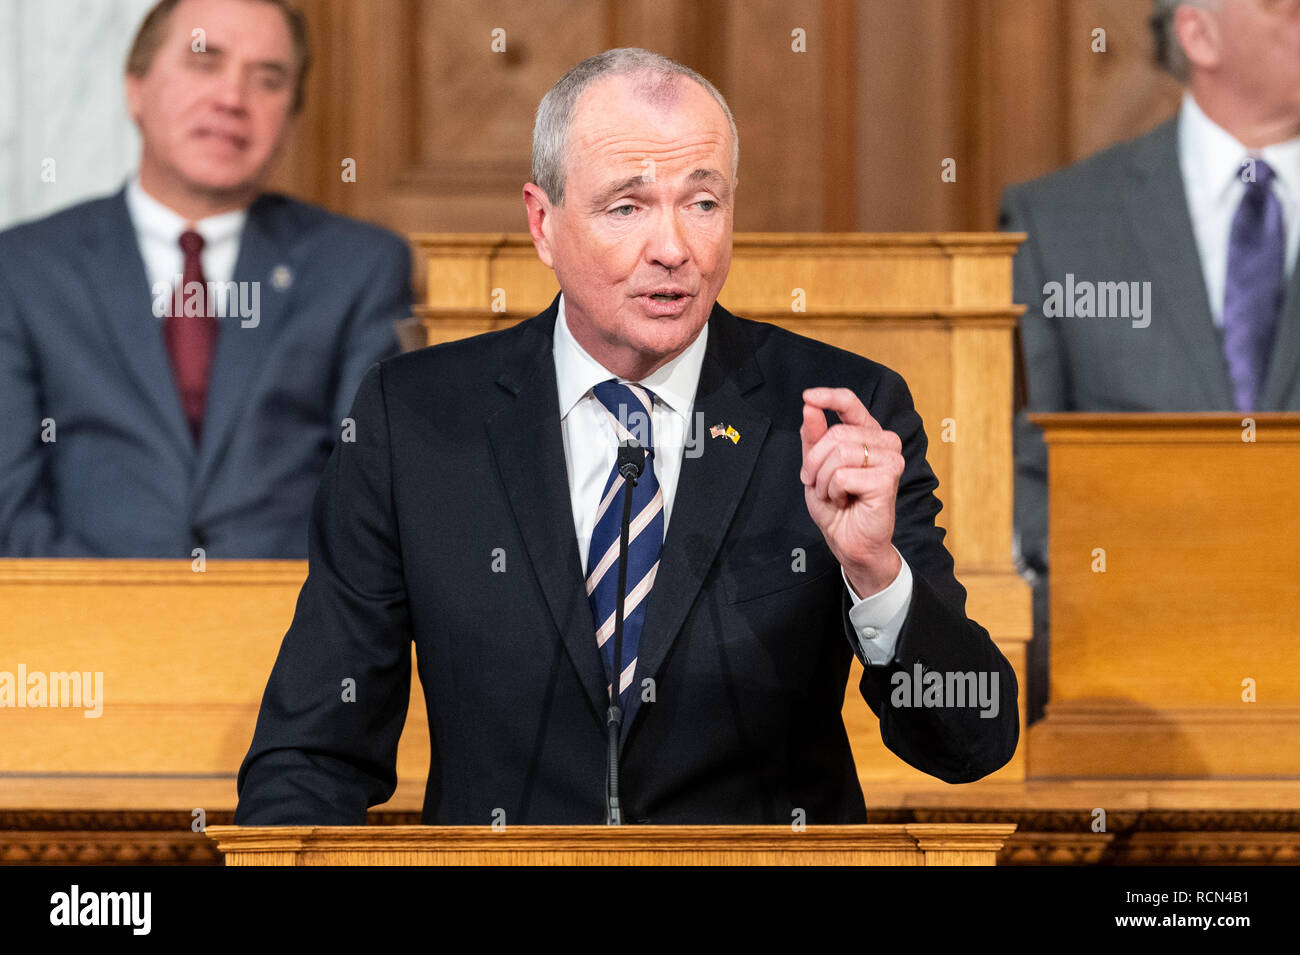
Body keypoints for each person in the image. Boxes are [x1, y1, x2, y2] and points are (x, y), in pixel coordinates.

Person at [235, 48, 1018, 825]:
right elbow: (314, 751)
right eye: (628, 207)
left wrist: (876, 572)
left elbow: (972, 739)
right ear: (544, 223)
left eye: (703, 203)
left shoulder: (835, 414)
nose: (674, 248)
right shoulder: (413, 419)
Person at [0, 0, 410, 558]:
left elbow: (369, 498)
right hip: (76, 626)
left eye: (267, 79)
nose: (231, 99)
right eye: (204, 62)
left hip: (286, 628)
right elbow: (10, 506)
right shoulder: (25, 268)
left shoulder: (359, 266)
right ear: (135, 87)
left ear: (291, 114)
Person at [1000, 0, 1300, 722]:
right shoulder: (1059, 220)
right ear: (1199, 32)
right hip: (1123, 690)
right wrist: (1128, 589)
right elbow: (1023, 455)